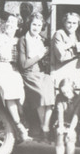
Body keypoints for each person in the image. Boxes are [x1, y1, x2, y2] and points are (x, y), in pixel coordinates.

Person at [0, 14, 29, 141]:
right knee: (8, 91)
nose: (9, 25)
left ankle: (20, 119)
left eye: (13, 23)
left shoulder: (18, 40)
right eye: (8, 22)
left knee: (20, 93)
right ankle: (18, 125)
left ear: (17, 27)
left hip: (13, 69)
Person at [17, 12, 55, 141]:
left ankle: (45, 126)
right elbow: (23, 64)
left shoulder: (42, 40)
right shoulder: (23, 40)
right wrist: (40, 55)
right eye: (34, 24)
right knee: (41, 96)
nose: (36, 28)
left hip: (41, 74)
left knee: (50, 96)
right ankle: (45, 130)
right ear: (29, 24)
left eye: (39, 25)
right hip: (29, 74)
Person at [50, 78, 80, 154]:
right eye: (63, 92)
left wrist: (71, 129)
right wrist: (61, 126)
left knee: (71, 138)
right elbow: (60, 111)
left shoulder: (78, 98)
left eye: (67, 91)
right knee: (60, 137)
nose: (65, 93)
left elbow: (76, 115)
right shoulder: (59, 97)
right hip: (61, 122)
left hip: (73, 124)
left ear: (72, 88)